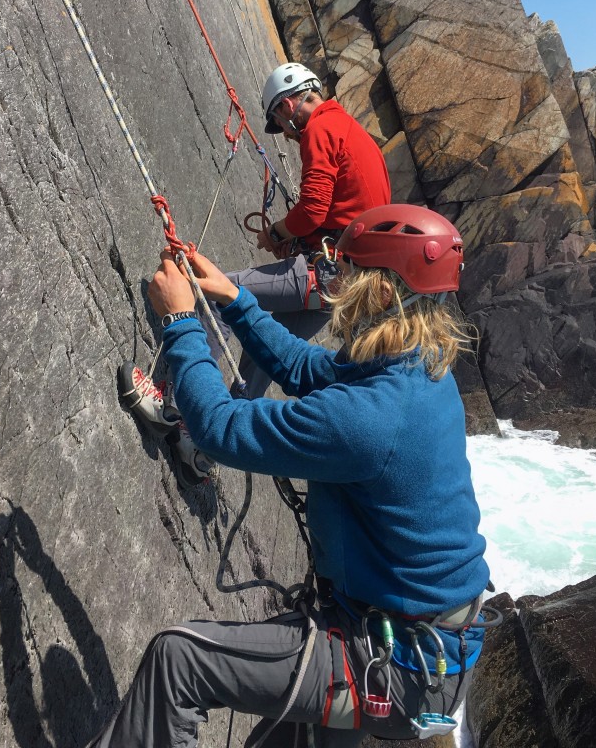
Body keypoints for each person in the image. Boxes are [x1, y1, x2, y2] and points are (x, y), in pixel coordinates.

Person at [89, 204, 491, 747]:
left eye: (345, 269)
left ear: (379, 293)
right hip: (419, 655)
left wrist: (181, 324)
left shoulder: (372, 418)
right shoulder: (420, 368)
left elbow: (219, 427)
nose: (333, 280)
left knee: (178, 659)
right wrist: (235, 302)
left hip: (389, 661)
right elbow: (308, 370)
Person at [121, 62, 391, 485]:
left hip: (325, 272)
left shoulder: (321, 128)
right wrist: (303, 240)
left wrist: (278, 233)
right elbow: (350, 213)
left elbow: (315, 208)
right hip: (344, 283)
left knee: (217, 294)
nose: (286, 133)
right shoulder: (357, 135)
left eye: (280, 123)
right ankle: (203, 452)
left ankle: (173, 406)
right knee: (263, 357)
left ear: (288, 104)